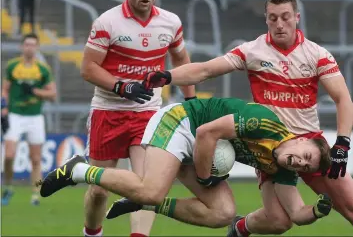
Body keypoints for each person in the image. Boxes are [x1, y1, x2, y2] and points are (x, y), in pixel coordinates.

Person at [141, 0, 353, 235]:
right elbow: (206, 70)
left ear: (296, 18)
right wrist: (168, 76)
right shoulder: (253, 51)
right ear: (266, 19)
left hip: (308, 148)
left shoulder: (317, 54)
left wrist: (342, 143)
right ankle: (242, 227)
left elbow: (343, 99)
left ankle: (239, 227)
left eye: (285, 17)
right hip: (269, 150)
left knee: (348, 207)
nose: (279, 24)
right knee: (278, 222)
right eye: (273, 18)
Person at [38, 97, 332, 230]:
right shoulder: (264, 123)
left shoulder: (282, 166)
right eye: (305, 156)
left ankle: (150, 205)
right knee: (150, 188)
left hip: (203, 151)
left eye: (305, 167)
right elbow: (206, 133)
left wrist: (317, 212)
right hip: (182, 122)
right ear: (299, 139)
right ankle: (78, 170)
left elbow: (295, 213)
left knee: (222, 214)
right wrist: (205, 178)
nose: (299, 164)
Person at [79, 0, 195, 237]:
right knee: (98, 190)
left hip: (147, 113)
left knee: (147, 186)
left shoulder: (170, 22)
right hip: (108, 110)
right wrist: (122, 87)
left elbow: (181, 59)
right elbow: (88, 68)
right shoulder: (107, 22)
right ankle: (92, 232)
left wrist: (191, 101)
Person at [1, 33, 56, 206]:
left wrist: (34, 91)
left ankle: (36, 193)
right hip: (15, 115)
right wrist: (4, 108)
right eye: (26, 44)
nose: (29, 47)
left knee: (36, 159)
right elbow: (5, 90)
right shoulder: (12, 66)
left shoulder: (42, 69)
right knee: (9, 155)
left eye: (33, 45)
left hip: (35, 116)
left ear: (37, 47)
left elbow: (53, 94)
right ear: (21, 47)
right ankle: (9, 187)